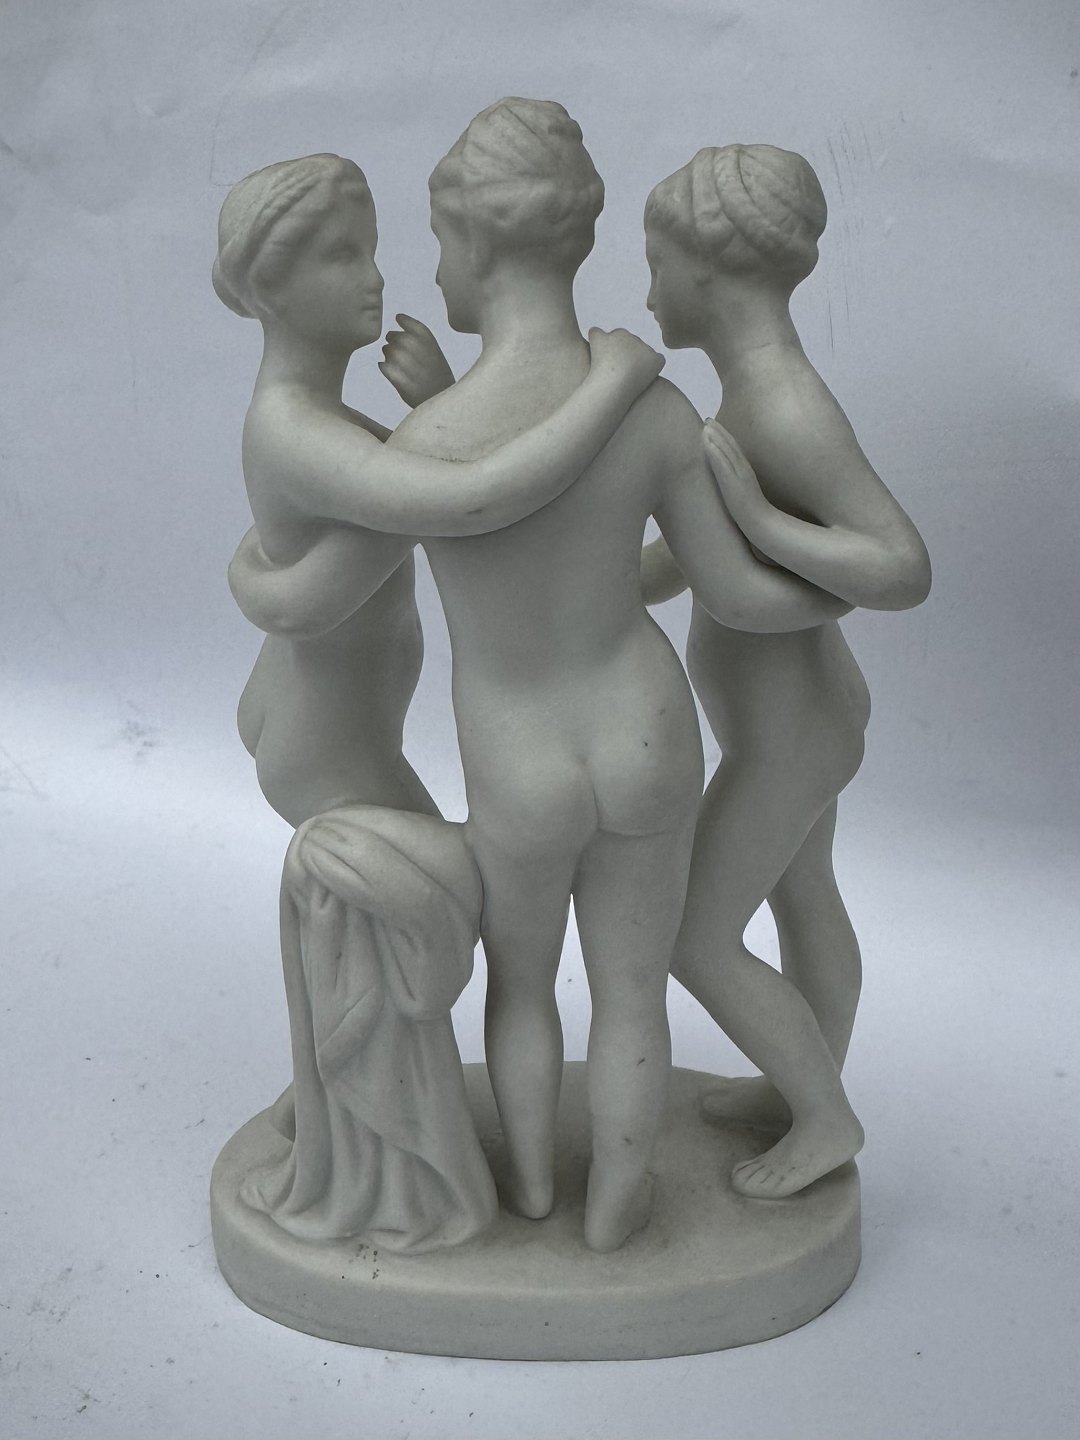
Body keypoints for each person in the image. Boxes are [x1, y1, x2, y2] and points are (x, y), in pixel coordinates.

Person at [380, 101, 849, 1249]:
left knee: (523, 984)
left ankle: (536, 1189)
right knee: (633, 993)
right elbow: (734, 595)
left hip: (519, 752)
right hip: (644, 726)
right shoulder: (655, 407)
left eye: (439, 241)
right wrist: (837, 592)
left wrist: (427, 410)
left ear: (476, 242)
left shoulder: (424, 449)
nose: (434, 268)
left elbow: (479, 509)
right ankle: (613, 1213)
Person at [641, 144, 931, 1196]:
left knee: (694, 934)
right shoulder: (748, 398)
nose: (648, 291)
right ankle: (798, 1085)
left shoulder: (781, 403)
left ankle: (823, 1116)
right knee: (805, 898)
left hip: (790, 738)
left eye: (655, 263)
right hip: (796, 722)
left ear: (706, 269)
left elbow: (900, 565)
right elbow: (700, 552)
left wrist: (764, 524)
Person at [213, 152, 665, 825]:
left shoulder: (320, 423)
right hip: (331, 745)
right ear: (273, 284)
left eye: (370, 252)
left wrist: (441, 403)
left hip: (329, 720)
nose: (374, 278)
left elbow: (418, 483)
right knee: (470, 879)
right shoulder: (295, 431)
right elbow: (473, 499)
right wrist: (612, 383)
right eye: (341, 256)